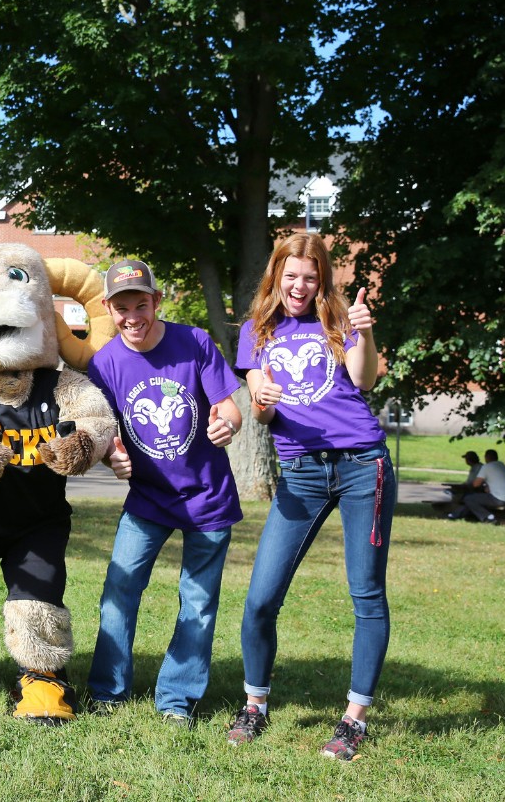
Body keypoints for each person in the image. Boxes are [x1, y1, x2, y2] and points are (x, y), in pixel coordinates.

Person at [228, 232, 396, 761]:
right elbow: (262, 409)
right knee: (260, 600)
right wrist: (259, 399)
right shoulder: (257, 330)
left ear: (322, 279)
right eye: (291, 275)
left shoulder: (340, 321)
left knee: (365, 593)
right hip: (299, 472)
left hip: (360, 466)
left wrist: (364, 336)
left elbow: (363, 380)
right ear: (276, 275)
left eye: (311, 276)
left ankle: (355, 719)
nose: (300, 285)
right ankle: (255, 704)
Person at [84, 260, 243, 725]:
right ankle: (108, 692)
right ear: (107, 309)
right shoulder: (104, 363)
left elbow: (228, 408)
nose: (132, 316)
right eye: (121, 307)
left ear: (157, 301)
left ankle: (176, 699)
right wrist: (110, 456)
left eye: (141, 304)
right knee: (119, 590)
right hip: (148, 500)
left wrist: (227, 425)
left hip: (207, 498)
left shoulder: (193, 342)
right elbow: (102, 432)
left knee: (198, 601)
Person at [461, 448, 505, 522]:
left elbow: (475, 484)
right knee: (477, 497)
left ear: (486, 457)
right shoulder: (501, 465)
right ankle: (458, 514)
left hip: (499, 499)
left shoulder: (486, 467)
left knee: (469, 498)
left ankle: (488, 517)